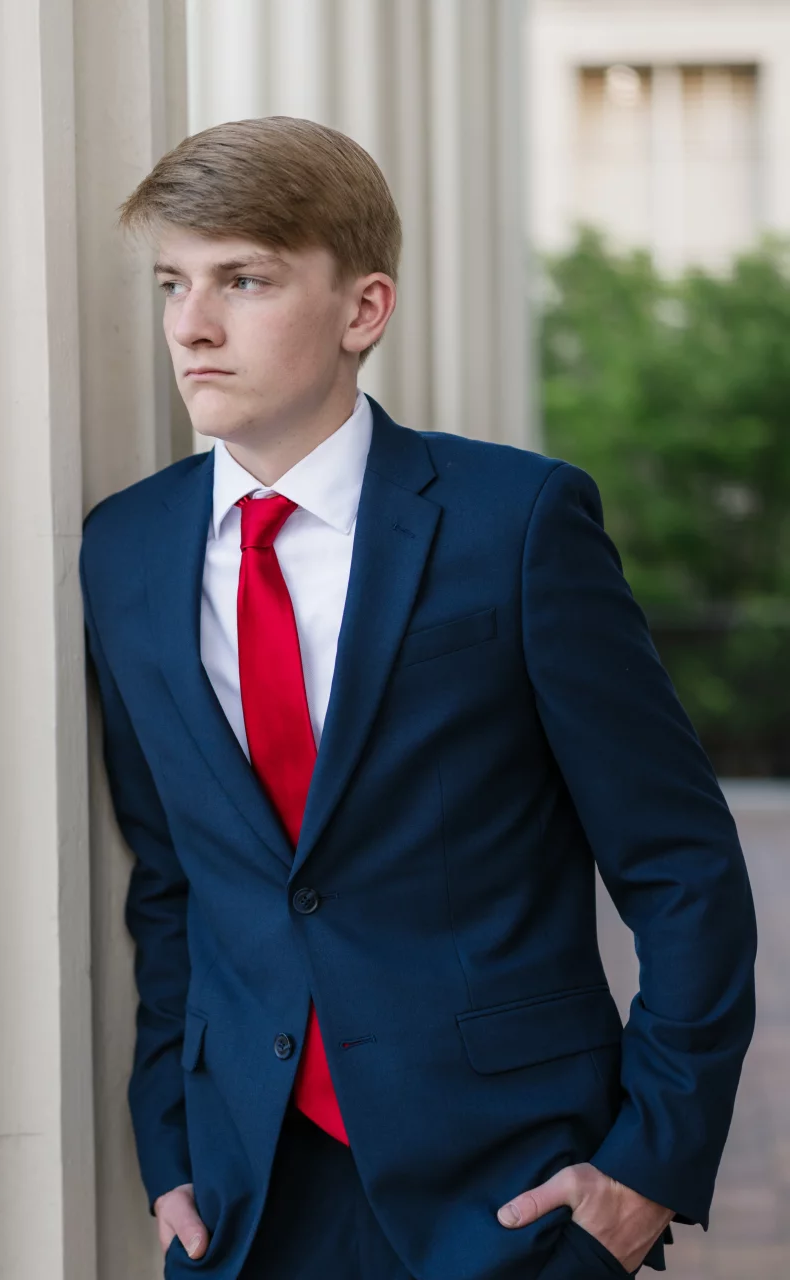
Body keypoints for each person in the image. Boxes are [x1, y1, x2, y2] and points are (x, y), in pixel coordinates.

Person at [78, 116, 757, 1280]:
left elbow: (680, 863)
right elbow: (174, 878)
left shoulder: (518, 524)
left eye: (244, 280)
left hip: (509, 1192)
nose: (191, 325)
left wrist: (648, 1162)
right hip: (245, 1193)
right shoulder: (125, 549)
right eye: (172, 283)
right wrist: (170, 1142)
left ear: (362, 310)